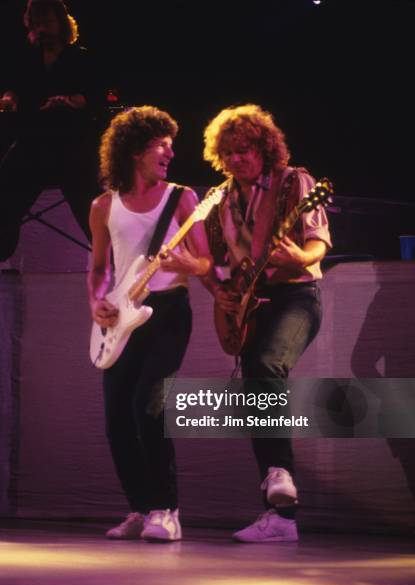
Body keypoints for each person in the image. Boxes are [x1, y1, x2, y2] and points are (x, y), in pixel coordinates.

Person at [203, 104, 332, 542]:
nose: (237, 159)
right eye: (229, 152)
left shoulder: (295, 182)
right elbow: (215, 264)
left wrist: (299, 256)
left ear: (264, 148)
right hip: (251, 303)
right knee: (255, 382)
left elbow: (317, 245)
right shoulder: (219, 199)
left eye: (245, 150)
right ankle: (280, 518)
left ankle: (279, 474)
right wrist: (218, 291)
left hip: (297, 295)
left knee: (265, 364)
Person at [88, 106, 212, 542]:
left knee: (148, 407)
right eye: (163, 144)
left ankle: (166, 509)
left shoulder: (183, 198)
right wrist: (96, 303)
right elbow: (100, 267)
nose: (171, 152)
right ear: (137, 149)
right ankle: (140, 508)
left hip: (169, 314)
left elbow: (205, 262)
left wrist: (186, 262)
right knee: (117, 420)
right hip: (122, 318)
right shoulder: (103, 205)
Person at [0, 0, 101, 262]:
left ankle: (111, 262)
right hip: (33, 142)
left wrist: (68, 101)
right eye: (36, 24)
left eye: (46, 23)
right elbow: (14, 89)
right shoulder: (25, 59)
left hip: (71, 146)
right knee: (5, 194)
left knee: (90, 209)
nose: (41, 29)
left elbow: (93, 98)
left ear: (61, 24)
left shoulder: (80, 58)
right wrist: (9, 98)